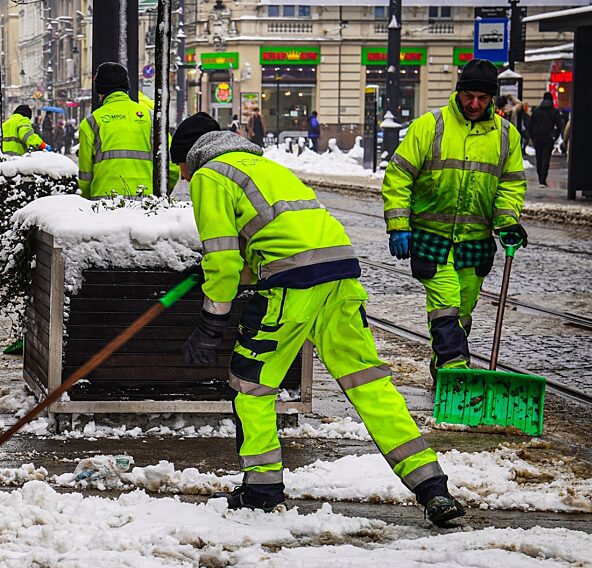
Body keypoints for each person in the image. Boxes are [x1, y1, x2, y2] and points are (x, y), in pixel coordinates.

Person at [169, 111, 465, 527]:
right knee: (370, 385)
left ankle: (262, 487)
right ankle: (433, 487)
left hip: (292, 289)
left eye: (179, 166)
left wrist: (210, 324)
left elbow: (222, 261)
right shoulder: (266, 167)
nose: (181, 176)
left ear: (190, 155)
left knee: (250, 384)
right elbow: (279, 239)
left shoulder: (209, 175)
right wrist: (233, 271)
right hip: (340, 276)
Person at [381, 58, 527, 381]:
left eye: (482, 98)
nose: (474, 104)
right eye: (469, 96)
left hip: (474, 243)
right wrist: (399, 225)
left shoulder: (506, 136)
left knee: (461, 312)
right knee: (445, 305)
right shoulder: (430, 127)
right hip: (432, 239)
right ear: (458, 92)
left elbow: (511, 183)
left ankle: (442, 362)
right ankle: (455, 374)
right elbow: (398, 176)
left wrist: (506, 222)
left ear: (492, 99)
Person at [78, 62, 179, 198]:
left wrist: (86, 198)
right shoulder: (151, 118)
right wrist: (161, 193)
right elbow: (171, 165)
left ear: (100, 91)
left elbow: (85, 175)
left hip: (103, 202)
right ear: (126, 87)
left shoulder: (91, 122)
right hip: (145, 201)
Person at [526, 92, 563, 187]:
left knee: (539, 158)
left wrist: (532, 136)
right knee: (546, 159)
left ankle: (540, 178)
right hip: (548, 138)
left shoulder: (537, 111)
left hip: (537, 138)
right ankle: (543, 179)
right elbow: (560, 125)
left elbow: (529, 125)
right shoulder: (554, 111)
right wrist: (555, 135)